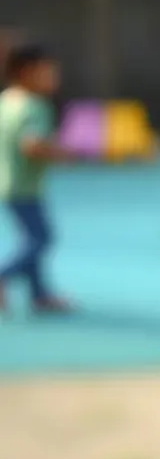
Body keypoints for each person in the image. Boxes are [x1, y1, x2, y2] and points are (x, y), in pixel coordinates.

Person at [0, 43, 74, 314]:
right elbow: (31, 145)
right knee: (42, 239)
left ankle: (39, 294)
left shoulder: (7, 99)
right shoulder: (35, 106)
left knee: (30, 238)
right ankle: (5, 274)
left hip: (8, 182)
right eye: (48, 73)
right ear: (27, 72)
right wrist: (61, 154)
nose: (54, 79)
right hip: (25, 187)